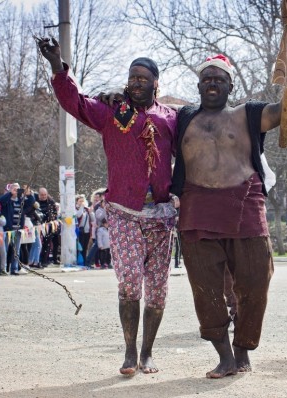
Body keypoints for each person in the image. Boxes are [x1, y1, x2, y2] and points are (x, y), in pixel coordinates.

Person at [37, 37, 178, 376]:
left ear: (156, 83)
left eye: (143, 78)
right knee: (130, 283)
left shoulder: (172, 119)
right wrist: (58, 65)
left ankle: (147, 353)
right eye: (132, 77)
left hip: (161, 215)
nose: (136, 83)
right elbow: (75, 102)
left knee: (157, 290)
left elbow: (197, 141)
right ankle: (129, 353)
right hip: (123, 211)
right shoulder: (114, 113)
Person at [170, 54, 287, 378]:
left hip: (245, 204)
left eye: (219, 79)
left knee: (257, 280)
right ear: (199, 85)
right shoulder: (183, 118)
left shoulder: (248, 113)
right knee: (206, 288)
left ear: (231, 85)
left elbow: (282, 111)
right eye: (207, 79)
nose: (213, 83)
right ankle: (224, 355)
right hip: (197, 209)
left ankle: (243, 349)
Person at [0, 183, 35, 275]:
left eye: (18, 189)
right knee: (4, 250)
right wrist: (11, 193)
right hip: (8, 229)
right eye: (14, 189)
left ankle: (14, 268)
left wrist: (28, 193)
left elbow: (31, 202)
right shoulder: (7, 200)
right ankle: (3, 268)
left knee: (16, 250)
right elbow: (0, 201)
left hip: (18, 229)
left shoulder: (21, 201)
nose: (16, 191)